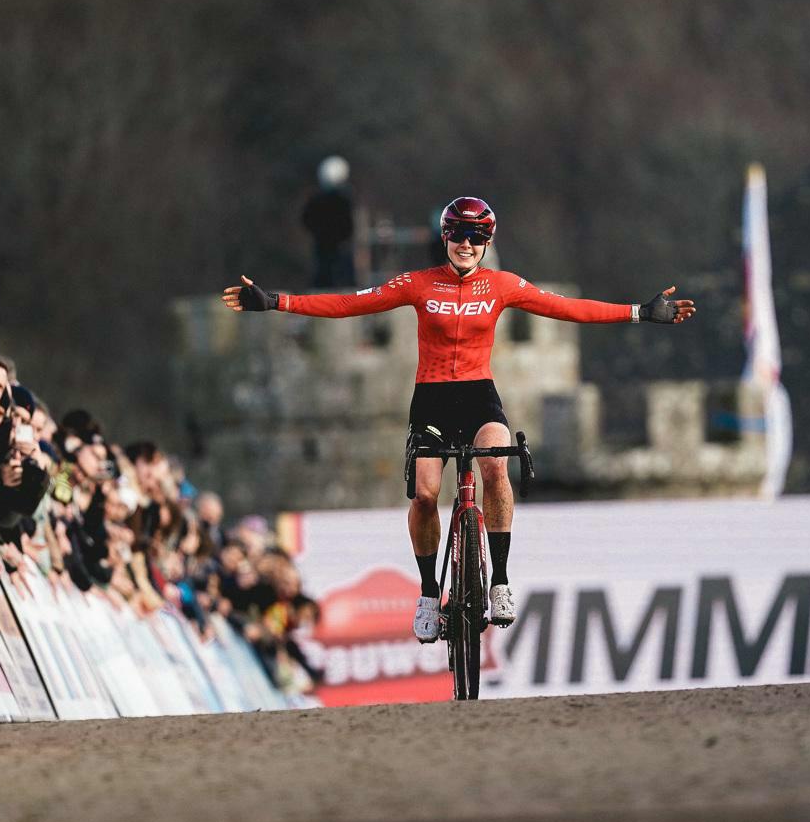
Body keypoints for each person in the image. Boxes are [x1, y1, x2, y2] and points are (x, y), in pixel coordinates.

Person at [223, 195, 695, 640]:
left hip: (478, 397)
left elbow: (567, 308)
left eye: (476, 236)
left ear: (487, 242)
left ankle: (500, 581)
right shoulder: (418, 283)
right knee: (426, 494)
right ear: (445, 238)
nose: (466, 244)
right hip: (431, 400)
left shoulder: (502, 285)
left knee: (496, 465)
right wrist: (275, 301)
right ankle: (430, 594)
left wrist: (641, 312)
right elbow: (350, 304)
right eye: (457, 235)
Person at [301, 156, 357, 288]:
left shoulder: (318, 198)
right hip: (335, 245)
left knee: (326, 276)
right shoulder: (343, 198)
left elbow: (306, 218)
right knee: (338, 276)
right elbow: (348, 223)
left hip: (326, 244)